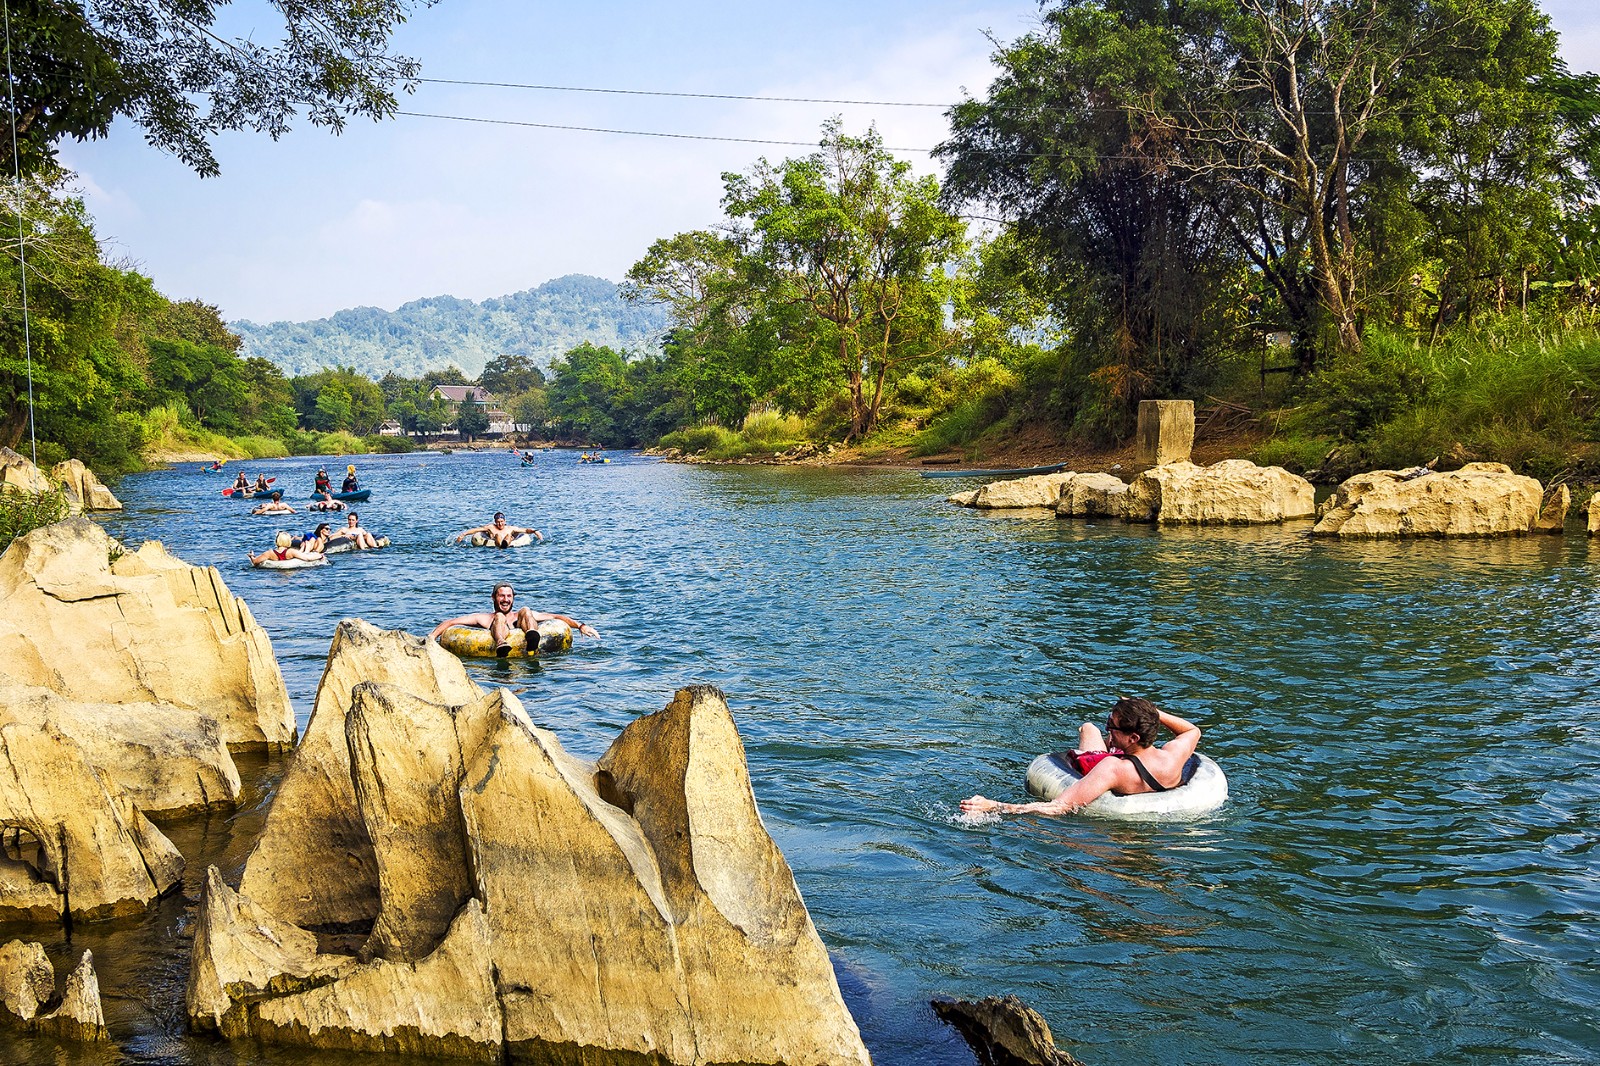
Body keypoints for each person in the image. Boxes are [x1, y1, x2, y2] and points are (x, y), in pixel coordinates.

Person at [960, 698, 1202, 818]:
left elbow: (1059, 807)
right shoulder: (1173, 757)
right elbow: (1193, 730)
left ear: (1133, 738)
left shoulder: (1112, 768)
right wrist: (1151, 712)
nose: (1109, 729)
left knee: (1088, 729)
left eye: (1112, 726)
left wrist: (994, 807)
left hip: (1106, 769)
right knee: (1094, 732)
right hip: (1141, 762)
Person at [429, 583, 599, 656]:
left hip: (526, 640)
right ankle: (501, 642)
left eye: (509, 596)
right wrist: (431, 638)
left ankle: (532, 635)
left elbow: (555, 617)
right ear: (494, 598)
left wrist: (580, 626)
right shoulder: (483, 617)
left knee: (527, 610)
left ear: (513, 598)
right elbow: (451, 622)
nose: (505, 599)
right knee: (500, 617)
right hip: (500, 641)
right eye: (501, 596)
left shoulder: (520, 614)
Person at [455, 512, 544, 546]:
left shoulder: (510, 528)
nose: (500, 524)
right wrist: (464, 534)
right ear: (495, 521)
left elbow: (525, 530)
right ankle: (501, 544)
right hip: (495, 541)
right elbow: (476, 530)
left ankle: (505, 544)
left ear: (505, 521)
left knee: (509, 535)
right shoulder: (490, 527)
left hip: (508, 541)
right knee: (497, 535)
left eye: (501, 521)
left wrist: (535, 531)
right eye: (498, 522)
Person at [248, 530, 325, 566]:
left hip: (276, 569)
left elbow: (255, 562)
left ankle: (305, 547)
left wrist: (252, 556)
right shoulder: (291, 552)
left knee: (306, 547)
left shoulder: (269, 553)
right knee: (306, 548)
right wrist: (319, 555)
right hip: (291, 567)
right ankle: (306, 547)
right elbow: (307, 558)